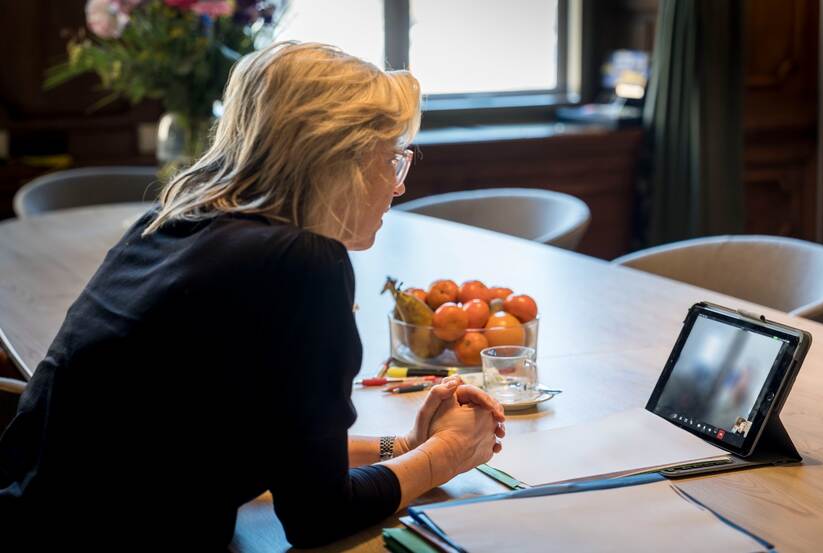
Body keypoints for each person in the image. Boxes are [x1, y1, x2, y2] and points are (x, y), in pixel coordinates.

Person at [0, 42, 505, 550]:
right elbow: (320, 515)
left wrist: (405, 446)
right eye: (391, 159)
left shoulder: (172, 224)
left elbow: (256, 444)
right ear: (337, 160)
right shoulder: (301, 262)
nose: (397, 187)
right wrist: (448, 454)